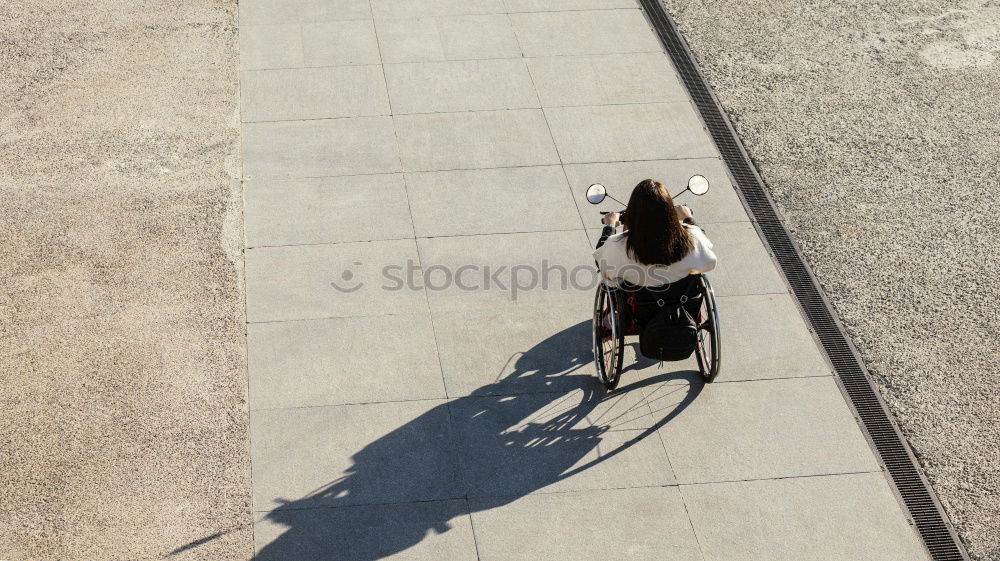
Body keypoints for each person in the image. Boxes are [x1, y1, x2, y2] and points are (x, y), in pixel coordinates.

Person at [593, 178, 717, 289]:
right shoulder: (692, 237)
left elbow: (602, 263)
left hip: (637, 305)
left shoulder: (617, 245)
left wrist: (609, 226)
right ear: (670, 212)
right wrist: (688, 218)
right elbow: (709, 261)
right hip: (683, 303)